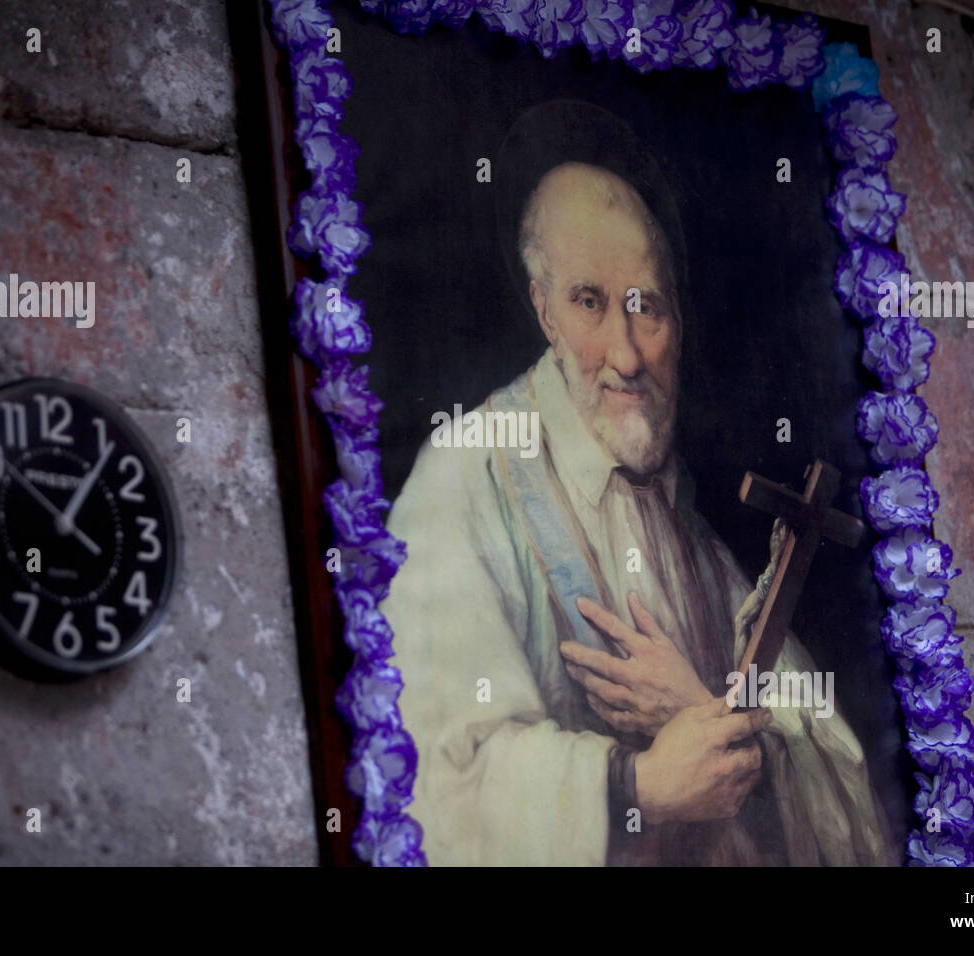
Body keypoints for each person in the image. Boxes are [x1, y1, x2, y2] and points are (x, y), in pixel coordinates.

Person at [382, 159, 892, 866]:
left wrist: (700, 718)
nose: (625, 355)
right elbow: (432, 780)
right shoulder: (465, 475)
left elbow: (833, 762)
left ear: (677, 325)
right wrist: (635, 784)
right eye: (590, 302)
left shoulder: (677, 517)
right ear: (544, 310)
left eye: (646, 306)